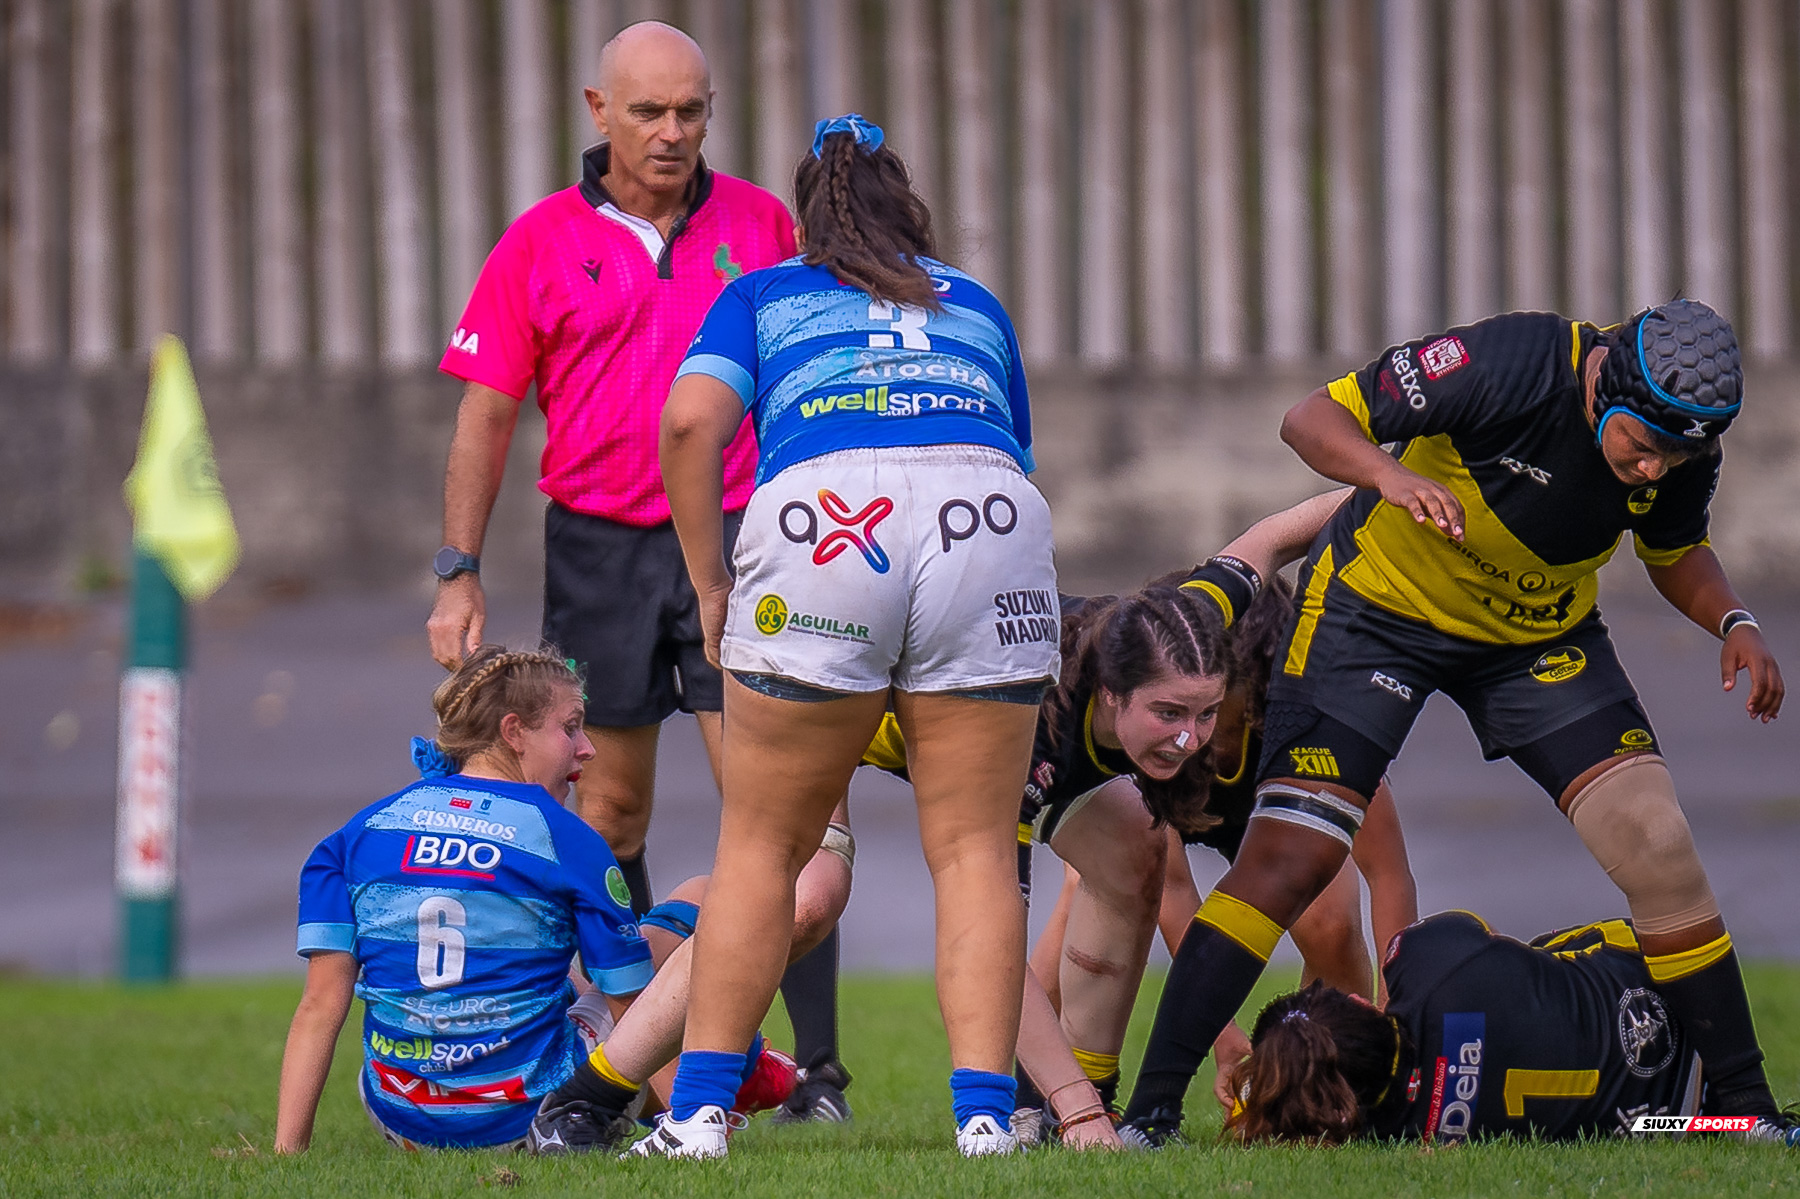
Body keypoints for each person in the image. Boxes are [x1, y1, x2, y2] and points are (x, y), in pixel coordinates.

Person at [1121, 300, 1790, 1146]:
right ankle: (1147, 1116)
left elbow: (1673, 549)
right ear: (1603, 390)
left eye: (1677, 455)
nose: (1655, 469)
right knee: (1293, 859)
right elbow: (1310, 418)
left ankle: (1748, 1107)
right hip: (1378, 615)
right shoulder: (1508, 361)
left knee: (1657, 840)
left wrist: (1734, 621)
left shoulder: (1680, 443)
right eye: (1643, 445)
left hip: (1533, 634)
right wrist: (1387, 476)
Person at [423, 21, 848, 1119]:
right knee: (608, 812)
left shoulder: (764, 225)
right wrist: (458, 570)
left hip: (748, 537)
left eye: (691, 111)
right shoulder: (538, 241)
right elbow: (485, 412)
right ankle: (647, 1049)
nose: (671, 133)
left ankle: (820, 1072)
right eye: (649, 111)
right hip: (600, 551)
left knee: (780, 809)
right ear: (596, 108)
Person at [649, 113, 1057, 1158]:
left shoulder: (765, 293)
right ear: (906, 206)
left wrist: (709, 578)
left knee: (762, 845)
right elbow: (1008, 442)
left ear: (804, 221)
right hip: (988, 515)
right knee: (973, 849)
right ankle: (982, 1117)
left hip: (826, 518)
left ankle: (695, 1115)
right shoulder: (973, 300)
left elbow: (692, 421)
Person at [274, 647, 653, 1152]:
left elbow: (320, 1006)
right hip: (528, 1116)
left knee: (553, 970)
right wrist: (685, 1117)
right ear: (514, 732)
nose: (587, 749)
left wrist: (286, 1156)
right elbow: (633, 1005)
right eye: (571, 727)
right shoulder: (563, 837)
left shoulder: (359, 834)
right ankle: (690, 1117)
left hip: (403, 1121)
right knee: (681, 919)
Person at [1224, 910, 1796, 1145]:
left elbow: (1271, 1106)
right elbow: (1483, 943)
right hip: (1681, 993)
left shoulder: (1387, 1133)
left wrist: (1259, 1099)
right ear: (1358, 1002)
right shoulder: (1428, 957)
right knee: (1533, 957)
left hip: (1686, 1115)